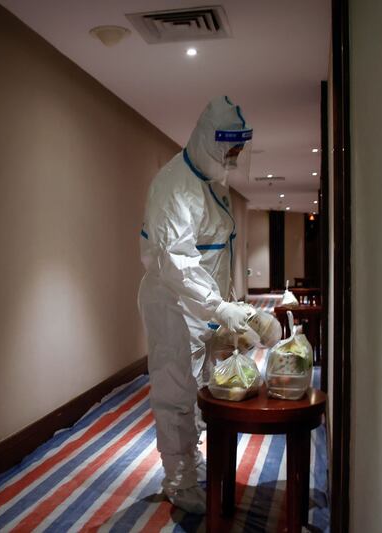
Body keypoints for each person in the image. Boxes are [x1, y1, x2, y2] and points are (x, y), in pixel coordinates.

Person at [138, 96, 253, 514]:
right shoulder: (173, 186)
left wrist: (225, 306)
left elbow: (215, 253)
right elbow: (177, 262)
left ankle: (191, 459)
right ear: (209, 142)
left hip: (201, 309)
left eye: (239, 150)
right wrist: (219, 308)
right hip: (173, 304)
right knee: (174, 391)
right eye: (230, 149)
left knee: (200, 386)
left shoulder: (210, 183)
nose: (235, 158)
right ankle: (179, 480)